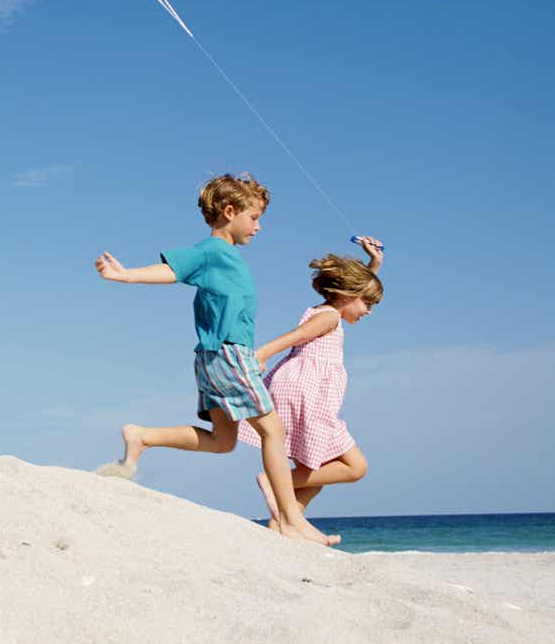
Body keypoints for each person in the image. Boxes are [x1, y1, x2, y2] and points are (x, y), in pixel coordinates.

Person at [93, 173, 337, 545]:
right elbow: (174, 269)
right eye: (254, 217)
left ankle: (143, 437)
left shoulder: (228, 257)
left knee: (224, 442)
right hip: (227, 354)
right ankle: (290, 519)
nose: (258, 226)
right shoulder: (212, 252)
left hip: (214, 358)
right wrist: (126, 276)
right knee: (274, 431)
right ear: (229, 211)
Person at [239, 238, 383, 531]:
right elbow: (297, 335)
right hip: (307, 393)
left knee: (316, 469)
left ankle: (283, 524)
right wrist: (261, 354)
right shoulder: (330, 316)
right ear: (347, 295)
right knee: (356, 467)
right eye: (368, 303)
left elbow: (356, 292)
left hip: (304, 390)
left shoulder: (332, 310)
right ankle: (275, 479)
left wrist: (375, 265)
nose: (369, 311)